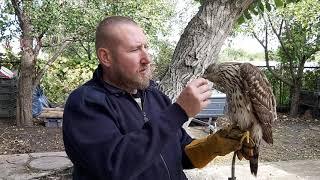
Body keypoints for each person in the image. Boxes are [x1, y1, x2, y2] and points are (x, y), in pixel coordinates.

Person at [63, 16, 253, 180]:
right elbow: (115, 166)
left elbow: (182, 153)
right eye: (135, 50)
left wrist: (214, 144)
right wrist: (179, 111)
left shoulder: (156, 97)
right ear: (106, 57)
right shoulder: (86, 103)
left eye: (146, 47)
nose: (147, 58)